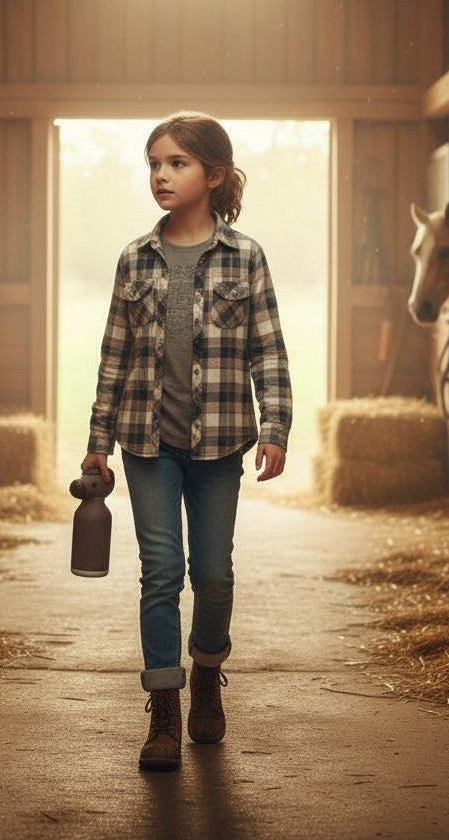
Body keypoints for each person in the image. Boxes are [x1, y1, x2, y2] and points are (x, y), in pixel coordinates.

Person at [81, 111, 292, 772]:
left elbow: (269, 352)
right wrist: (97, 442)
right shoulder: (133, 259)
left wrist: (276, 427)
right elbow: (113, 357)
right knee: (162, 572)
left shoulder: (246, 257)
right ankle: (165, 710)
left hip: (221, 446)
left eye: (176, 163)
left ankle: (207, 672)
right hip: (146, 446)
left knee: (214, 574)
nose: (161, 176)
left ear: (214, 175)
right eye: (154, 164)